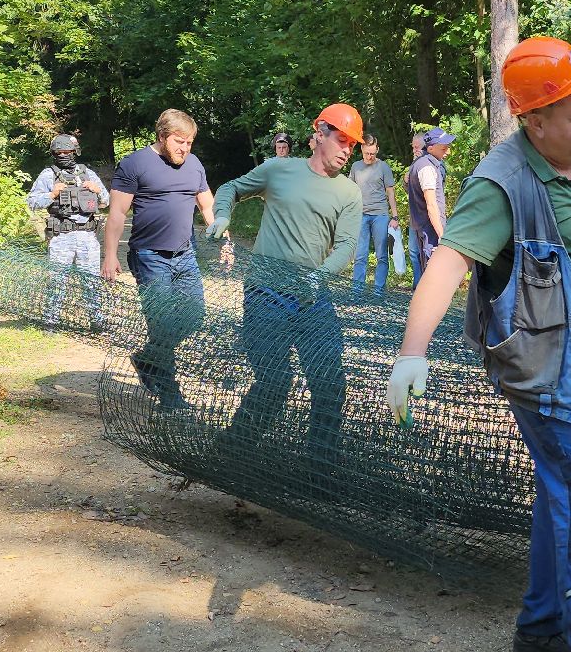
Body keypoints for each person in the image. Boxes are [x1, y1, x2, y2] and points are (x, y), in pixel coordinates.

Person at [387, 35, 571, 652]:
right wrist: (410, 354)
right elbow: (448, 263)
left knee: (562, 487)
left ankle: (543, 621)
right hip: (544, 365)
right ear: (533, 121)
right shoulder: (502, 181)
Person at [208, 104, 365, 464]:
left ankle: (319, 469)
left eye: (352, 145)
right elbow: (231, 188)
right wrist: (221, 214)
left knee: (329, 384)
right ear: (319, 135)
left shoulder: (349, 193)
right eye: (341, 140)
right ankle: (232, 454)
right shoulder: (279, 170)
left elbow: (345, 247)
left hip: (313, 295)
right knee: (276, 382)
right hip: (266, 291)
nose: (346, 150)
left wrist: (321, 276)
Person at [102, 109, 218, 409]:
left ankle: (147, 358)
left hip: (185, 254)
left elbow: (207, 206)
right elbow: (116, 214)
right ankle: (170, 395)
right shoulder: (135, 163)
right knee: (162, 322)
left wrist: (224, 240)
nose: (185, 148)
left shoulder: (193, 164)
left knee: (194, 316)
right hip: (149, 256)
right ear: (162, 136)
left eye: (190, 142)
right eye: (180, 141)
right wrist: (110, 255)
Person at [26, 134, 109, 327]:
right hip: (61, 236)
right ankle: (51, 322)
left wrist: (97, 190)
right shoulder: (48, 174)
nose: (63, 155)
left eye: (67, 152)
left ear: (75, 152)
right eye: (59, 152)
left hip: (87, 236)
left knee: (91, 282)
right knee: (57, 281)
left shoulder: (87, 173)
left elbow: (106, 202)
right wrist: (52, 194)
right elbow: (32, 202)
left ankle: (97, 322)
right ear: (53, 154)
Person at [347, 133, 400, 296]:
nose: (369, 156)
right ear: (362, 149)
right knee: (360, 255)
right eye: (366, 153)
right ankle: (357, 291)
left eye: (372, 153)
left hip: (380, 215)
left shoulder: (383, 167)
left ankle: (379, 291)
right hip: (361, 215)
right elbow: (350, 191)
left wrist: (395, 216)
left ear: (377, 150)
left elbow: (390, 192)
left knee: (381, 255)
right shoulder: (356, 166)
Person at [405, 127, 455, 284]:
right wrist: (442, 235)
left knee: (429, 272)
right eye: (444, 148)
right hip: (430, 229)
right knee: (434, 276)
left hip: (425, 227)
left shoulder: (422, 163)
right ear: (431, 148)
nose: (448, 152)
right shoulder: (426, 167)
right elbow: (431, 205)